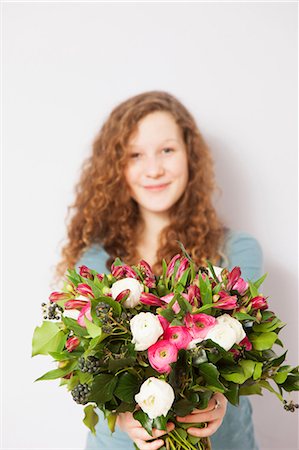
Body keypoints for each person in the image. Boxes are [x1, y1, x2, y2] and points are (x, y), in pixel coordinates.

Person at [56, 91, 262, 450]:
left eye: (167, 150)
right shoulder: (92, 263)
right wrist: (121, 413)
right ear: (116, 167)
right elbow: (82, 369)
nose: (154, 169)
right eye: (135, 155)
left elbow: (249, 354)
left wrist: (219, 398)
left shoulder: (235, 253)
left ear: (190, 156)